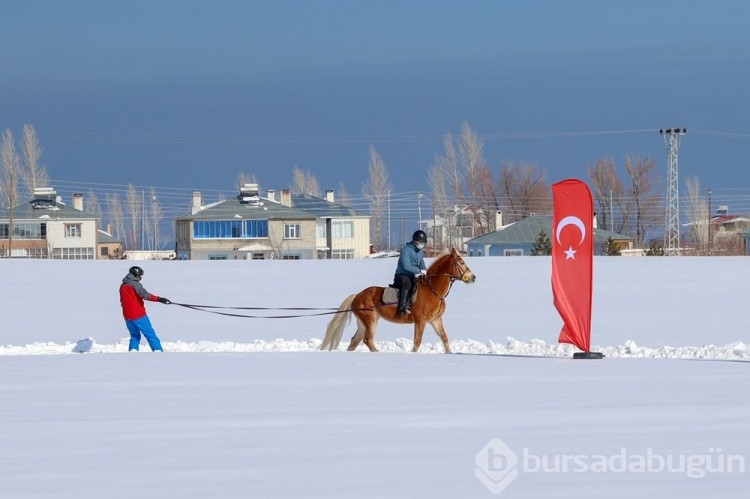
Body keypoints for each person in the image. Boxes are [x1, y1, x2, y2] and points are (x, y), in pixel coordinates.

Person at [119, 266, 171, 352]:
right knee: (150, 334)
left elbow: (122, 301)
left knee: (134, 335)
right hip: (138, 315)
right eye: (140, 276)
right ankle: (158, 351)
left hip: (127, 316)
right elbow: (145, 295)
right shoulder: (135, 284)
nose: (141, 278)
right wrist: (159, 299)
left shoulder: (122, 286)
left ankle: (133, 351)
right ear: (137, 275)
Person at [394, 230, 428, 316]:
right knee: (407, 284)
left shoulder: (419, 252)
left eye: (423, 243)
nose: (422, 245)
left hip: (412, 275)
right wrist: (419, 271)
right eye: (421, 243)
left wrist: (425, 271)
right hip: (401, 275)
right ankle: (402, 308)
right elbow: (407, 266)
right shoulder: (406, 250)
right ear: (415, 241)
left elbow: (422, 263)